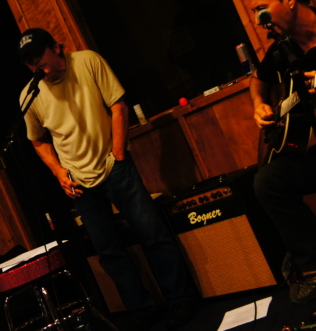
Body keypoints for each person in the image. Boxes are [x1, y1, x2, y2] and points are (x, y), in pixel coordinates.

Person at [18, 28, 197, 330]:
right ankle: (143, 311)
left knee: (151, 232)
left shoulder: (88, 61)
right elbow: (37, 140)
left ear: (56, 48)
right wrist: (59, 172)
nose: (35, 64)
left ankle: (181, 300)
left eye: (39, 55)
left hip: (114, 166)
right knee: (109, 252)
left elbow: (118, 105)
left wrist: (119, 154)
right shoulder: (29, 95)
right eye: (29, 61)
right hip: (78, 181)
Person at [241, 0, 316, 321]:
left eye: (261, 8)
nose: (258, 18)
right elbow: (258, 80)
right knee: (268, 181)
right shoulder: (282, 49)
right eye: (254, 11)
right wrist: (259, 105)